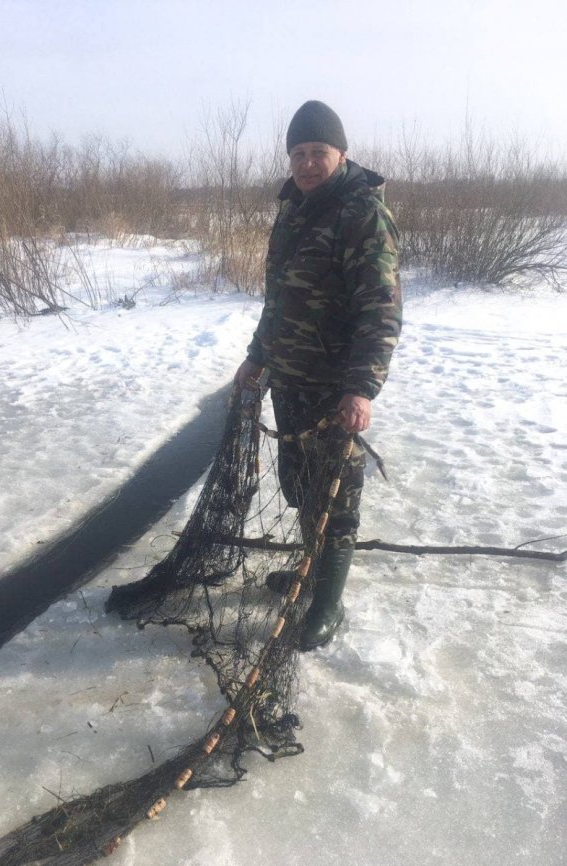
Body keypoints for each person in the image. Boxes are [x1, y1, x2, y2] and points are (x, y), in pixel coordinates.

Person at [234, 100, 402, 651]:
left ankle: (329, 601)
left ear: (342, 153)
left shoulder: (361, 213)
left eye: (318, 153)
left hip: (334, 387)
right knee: (300, 485)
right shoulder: (293, 209)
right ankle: (311, 569)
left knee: (336, 493)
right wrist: (258, 354)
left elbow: (379, 310)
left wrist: (362, 388)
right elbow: (277, 299)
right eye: (298, 154)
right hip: (289, 379)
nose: (307, 164)